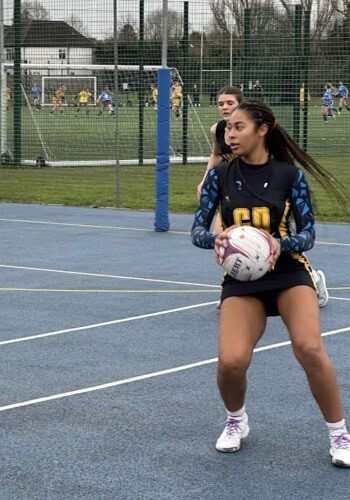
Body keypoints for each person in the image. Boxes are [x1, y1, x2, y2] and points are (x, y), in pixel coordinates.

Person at [191, 99, 350, 467]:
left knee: (310, 349)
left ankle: (339, 433)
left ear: (263, 129)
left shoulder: (290, 176)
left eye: (238, 127)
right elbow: (198, 229)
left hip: (288, 272)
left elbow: (308, 234)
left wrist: (281, 243)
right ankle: (236, 421)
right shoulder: (220, 176)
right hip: (242, 279)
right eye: (227, 128)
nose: (230, 134)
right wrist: (213, 239)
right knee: (231, 362)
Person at [197, 86, 329, 308]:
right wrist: (205, 179)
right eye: (221, 103)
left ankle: (312, 278)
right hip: (233, 189)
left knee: (275, 234)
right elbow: (217, 155)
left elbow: (307, 234)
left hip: (265, 196)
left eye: (230, 103)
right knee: (226, 237)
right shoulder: (217, 132)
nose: (225, 107)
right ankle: (240, 275)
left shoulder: (278, 164)